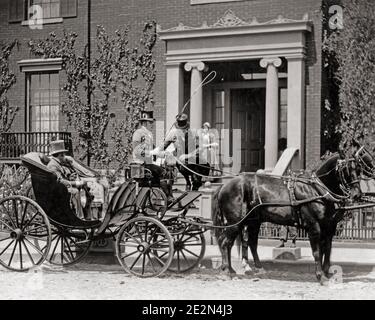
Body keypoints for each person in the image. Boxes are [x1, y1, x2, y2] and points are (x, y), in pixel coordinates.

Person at [155, 113, 210, 191]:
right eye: (180, 129)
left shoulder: (193, 133)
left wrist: (188, 155)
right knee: (170, 167)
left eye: (184, 129)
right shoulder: (173, 133)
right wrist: (165, 153)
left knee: (201, 170)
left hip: (193, 159)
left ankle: (195, 187)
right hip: (180, 161)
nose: (182, 131)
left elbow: (200, 148)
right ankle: (185, 183)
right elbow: (161, 148)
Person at [132, 111, 175, 204]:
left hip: (148, 164)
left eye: (152, 122)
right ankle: (167, 197)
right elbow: (137, 151)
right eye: (150, 122)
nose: (152, 124)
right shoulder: (138, 133)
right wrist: (151, 152)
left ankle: (169, 196)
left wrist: (161, 153)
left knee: (167, 171)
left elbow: (154, 150)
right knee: (162, 172)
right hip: (140, 164)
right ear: (144, 122)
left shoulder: (149, 134)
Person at [47, 140, 90, 219]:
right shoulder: (53, 165)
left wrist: (73, 179)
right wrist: (76, 183)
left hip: (61, 187)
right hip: (56, 189)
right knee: (75, 191)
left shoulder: (58, 163)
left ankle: (87, 214)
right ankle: (79, 217)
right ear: (60, 155)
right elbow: (60, 181)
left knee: (85, 188)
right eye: (63, 154)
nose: (65, 156)